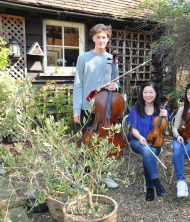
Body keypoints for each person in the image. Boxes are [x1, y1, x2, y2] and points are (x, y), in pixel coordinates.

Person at [73, 24, 119, 188]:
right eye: (98, 37)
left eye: (104, 37)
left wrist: (116, 86)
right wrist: (76, 109)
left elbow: (116, 83)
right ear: (93, 38)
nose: (101, 40)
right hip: (87, 107)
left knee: (105, 142)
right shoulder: (83, 58)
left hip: (105, 109)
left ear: (108, 39)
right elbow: (78, 85)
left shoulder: (112, 59)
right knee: (86, 141)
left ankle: (104, 175)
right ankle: (85, 175)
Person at [127, 81, 170, 201]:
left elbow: (164, 128)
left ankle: (151, 188)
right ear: (142, 94)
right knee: (146, 150)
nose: (148, 95)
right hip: (137, 142)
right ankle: (157, 184)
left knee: (147, 152)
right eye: (145, 92)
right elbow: (133, 129)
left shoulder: (161, 110)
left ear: (156, 93)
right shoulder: (137, 109)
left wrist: (166, 116)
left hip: (156, 143)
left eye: (151, 92)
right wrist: (140, 137)